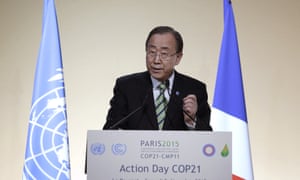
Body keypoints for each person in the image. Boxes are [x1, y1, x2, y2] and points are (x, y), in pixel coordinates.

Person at [103, 26, 212, 131]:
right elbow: (110, 129)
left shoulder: (194, 89)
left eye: (164, 54)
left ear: (178, 58)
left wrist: (191, 121)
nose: (156, 60)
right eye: (152, 52)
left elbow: (208, 140)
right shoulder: (127, 87)